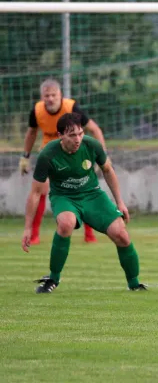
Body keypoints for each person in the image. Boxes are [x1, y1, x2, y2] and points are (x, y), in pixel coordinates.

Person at [21, 113, 147, 293]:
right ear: (60, 136)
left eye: (80, 133)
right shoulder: (47, 154)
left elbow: (108, 170)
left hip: (92, 195)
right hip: (64, 197)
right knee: (66, 224)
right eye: (72, 135)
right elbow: (35, 193)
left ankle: (134, 284)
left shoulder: (92, 145)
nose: (78, 139)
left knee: (120, 234)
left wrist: (120, 202)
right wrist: (28, 228)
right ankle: (53, 279)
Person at [19, 78, 106, 245]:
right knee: (40, 190)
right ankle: (34, 235)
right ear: (42, 97)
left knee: (82, 188)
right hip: (49, 154)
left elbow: (94, 129)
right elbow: (31, 133)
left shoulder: (71, 108)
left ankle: (89, 234)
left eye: (53, 95)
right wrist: (25, 157)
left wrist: (102, 155)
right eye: (47, 95)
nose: (50, 99)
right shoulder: (37, 111)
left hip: (74, 153)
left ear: (60, 95)